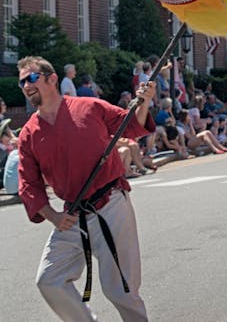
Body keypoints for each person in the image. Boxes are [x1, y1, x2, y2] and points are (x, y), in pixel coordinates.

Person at [17, 55, 156, 321]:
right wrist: (53, 216)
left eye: (32, 78)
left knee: (121, 290)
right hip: (71, 214)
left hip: (111, 204)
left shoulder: (90, 107)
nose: (26, 85)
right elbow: (29, 184)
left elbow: (131, 125)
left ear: (52, 79)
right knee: (49, 280)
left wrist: (146, 100)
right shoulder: (28, 134)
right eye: (23, 81)